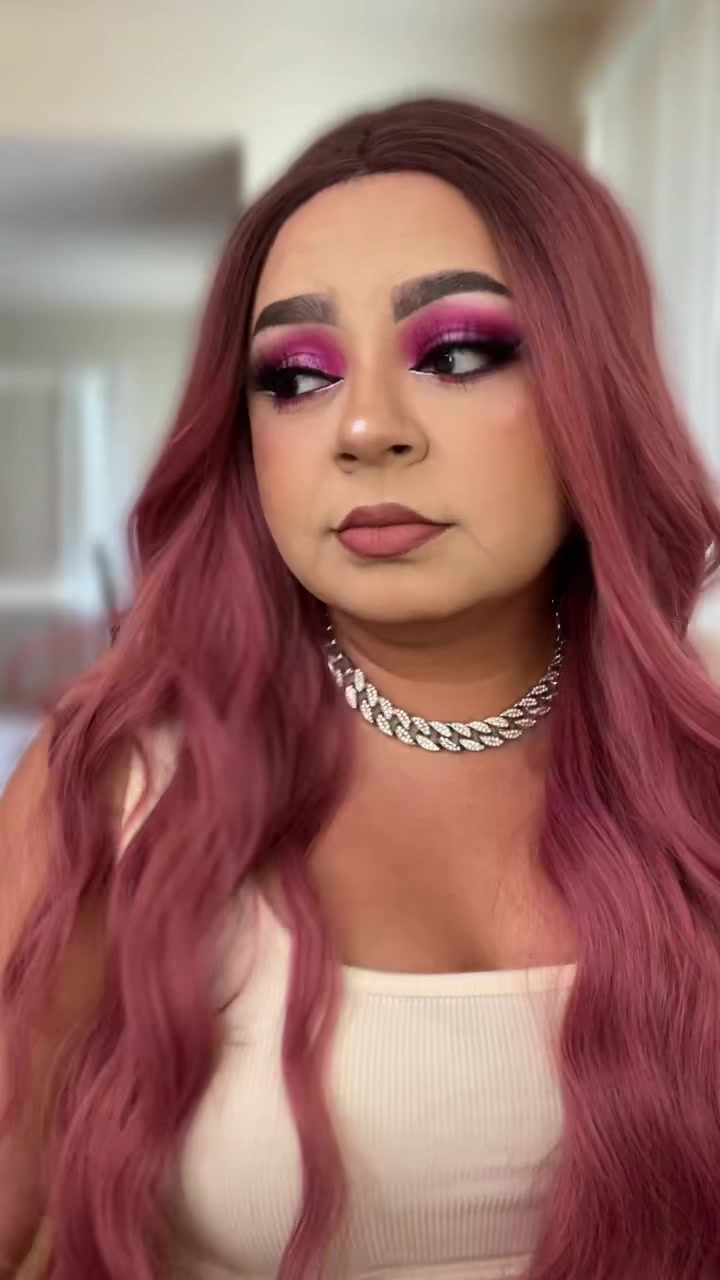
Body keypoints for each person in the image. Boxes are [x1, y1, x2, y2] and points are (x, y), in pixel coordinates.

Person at [2, 97, 720, 1280]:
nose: (367, 427)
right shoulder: (118, 787)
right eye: (296, 375)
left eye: (458, 353)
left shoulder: (698, 769)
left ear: (596, 389)